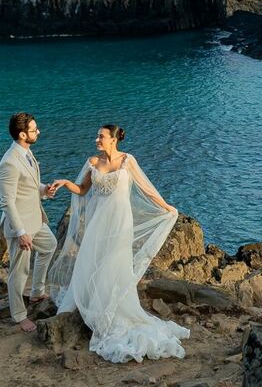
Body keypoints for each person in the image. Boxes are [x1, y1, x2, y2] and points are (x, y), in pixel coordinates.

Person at [46, 124, 190, 363]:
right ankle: (90, 306)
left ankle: (111, 310)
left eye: (101, 136)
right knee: (92, 261)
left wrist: (166, 207)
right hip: (98, 224)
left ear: (113, 140)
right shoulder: (93, 162)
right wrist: (64, 183)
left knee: (115, 264)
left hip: (120, 224)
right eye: (97, 136)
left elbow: (146, 188)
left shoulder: (127, 161)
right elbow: (82, 190)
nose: (97, 139)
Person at [0, 112, 58, 333]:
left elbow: (29, 186)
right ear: (22, 134)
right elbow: (7, 202)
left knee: (50, 246)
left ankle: (36, 292)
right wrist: (21, 232)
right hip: (20, 225)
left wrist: (44, 190)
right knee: (19, 271)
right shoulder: (9, 163)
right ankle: (19, 315)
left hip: (36, 218)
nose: (38, 132)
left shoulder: (26, 153)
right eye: (34, 130)